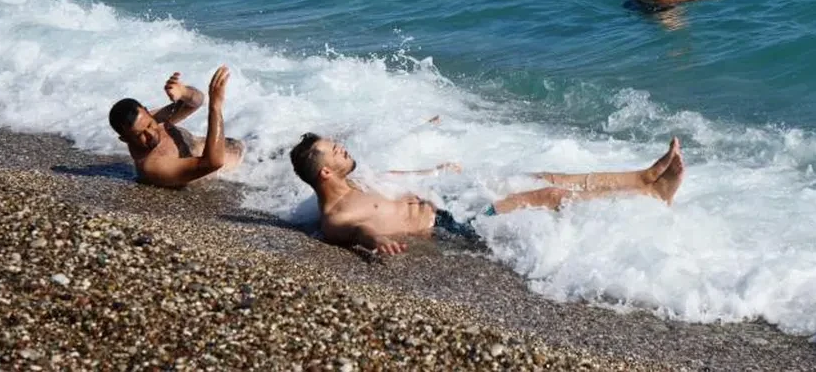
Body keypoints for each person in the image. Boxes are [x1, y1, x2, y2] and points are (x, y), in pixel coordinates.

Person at [289, 134, 685, 256]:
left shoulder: (358, 181)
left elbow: (396, 180)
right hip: (451, 224)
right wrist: (379, 242)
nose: (342, 147)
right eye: (334, 149)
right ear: (325, 172)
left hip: (450, 197)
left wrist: (437, 172)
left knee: (541, 175)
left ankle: (643, 177)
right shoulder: (336, 216)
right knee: (549, 195)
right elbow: (357, 232)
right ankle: (649, 199)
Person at [108, 65, 245, 188]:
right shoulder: (153, 166)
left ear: (147, 112)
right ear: (124, 139)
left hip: (247, 151)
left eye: (150, 124)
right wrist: (215, 106)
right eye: (140, 135)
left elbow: (197, 101)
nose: (151, 133)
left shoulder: (148, 119)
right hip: (240, 172)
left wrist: (184, 93)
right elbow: (213, 163)